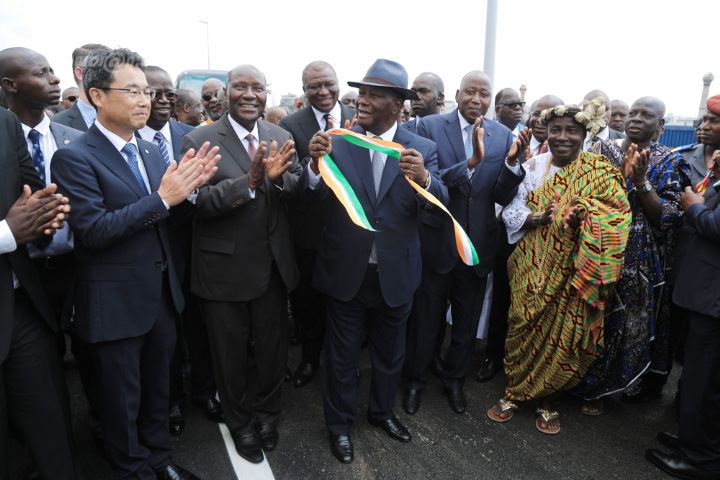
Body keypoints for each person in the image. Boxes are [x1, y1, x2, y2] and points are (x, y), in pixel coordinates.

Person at [51, 47, 219, 480]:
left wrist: (189, 194)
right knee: (120, 402)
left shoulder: (149, 150)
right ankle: (132, 470)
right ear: (97, 95)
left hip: (160, 296)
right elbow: (94, 231)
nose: (146, 100)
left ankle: (160, 459)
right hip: (115, 304)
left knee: (159, 390)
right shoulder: (74, 157)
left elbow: (167, 219)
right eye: (133, 91)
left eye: (147, 92)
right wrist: (163, 198)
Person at [304, 59, 448, 464]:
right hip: (347, 272)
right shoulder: (338, 141)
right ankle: (339, 426)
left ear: (397, 105)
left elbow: (441, 206)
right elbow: (310, 196)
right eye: (361, 93)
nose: (361, 101)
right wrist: (312, 167)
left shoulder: (422, 150)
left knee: (389, 354)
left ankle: (382, 413)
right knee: (342, 357)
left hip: (396, 273)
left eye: (373, 95)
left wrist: (425, 181)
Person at [181, 64, 300, 465]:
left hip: (272, 269)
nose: (250, 95)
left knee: (272, 352)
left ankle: (268, 415)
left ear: (267, 94)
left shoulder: (279, 136)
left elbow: (296, 185)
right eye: (241, 87)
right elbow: (194, 203)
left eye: (258, 88)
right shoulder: (198, 139)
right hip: (223, 272)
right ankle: (240, 423)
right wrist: (247, 183)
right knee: (228, 358)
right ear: (225, 94)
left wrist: (278, 180)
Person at [488, 103, 631, 435]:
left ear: (584, 134)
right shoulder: (534, 167)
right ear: (547, 134)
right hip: (531, 263)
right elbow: (509, 209)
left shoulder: (600, 171)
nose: (563, 137)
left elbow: (618, 218)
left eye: (571, 131)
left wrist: (585, 215)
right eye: (556, 130)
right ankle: (514, 391)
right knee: (522, 323)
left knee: (564, 335)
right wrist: (541, 217)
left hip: (575, 271)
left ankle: (549, 400)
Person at [404, 70, 527, 416]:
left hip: (477, 245)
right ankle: (415, 381)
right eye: (470, 92)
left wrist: (512, 165)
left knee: (466, 322)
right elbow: (428, 182)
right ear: (457, 95)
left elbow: (500, 195)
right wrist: (470, 164)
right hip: (436, 241)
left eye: (484, 94)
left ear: (490, 100)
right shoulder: (428, 128)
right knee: (426, 319)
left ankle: (455, 381)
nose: (476, 99)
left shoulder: (503, 135)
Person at [572, 97, 689, 414]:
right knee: (588, 313)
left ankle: (599, 389)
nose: (636, 118)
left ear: (660, 126)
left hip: (638, 254)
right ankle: (572, 378)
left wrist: (640, 182)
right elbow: (581, 193)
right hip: (595, 245)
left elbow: (666, 216)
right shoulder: (601, 151)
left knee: (621, 322)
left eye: (646, 115)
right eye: (633, 113)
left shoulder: (668, 160)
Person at [137, 65, 222, 437]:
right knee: (164, 338)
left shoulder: (190, 136)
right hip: (149, 255)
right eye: (153, 92)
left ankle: (205, 391)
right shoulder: (127, 139)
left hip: (192, 249)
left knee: (198, 328)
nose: (163, 99)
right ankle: (171, 399)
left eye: (169, 93)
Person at [0, 104, 79, 479]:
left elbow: (31, 193)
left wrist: (48, 214)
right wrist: (7, 233)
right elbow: (13, 227)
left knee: (49, 427)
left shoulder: (5, 121)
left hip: (20, 303)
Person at [279, 61, 355, 389]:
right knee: (308, 302)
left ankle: (344, 364)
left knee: (346, 304)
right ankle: (310, 358)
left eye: (328, 84)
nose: (323, 92)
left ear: (338, 83)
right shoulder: (291, 125)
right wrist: (314, 162)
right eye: (314, 86)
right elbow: (293, 181)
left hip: (351, 230)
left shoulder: (358, 118)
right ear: (304, 90)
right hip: (310, 232)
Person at [645, 155, 720, 480]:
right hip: (707, 294)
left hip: (714, 300)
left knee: (706, 382)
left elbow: (716, 225)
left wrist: (694, 207)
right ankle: (694, 441)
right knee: (698, 377)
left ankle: (702, 459)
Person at [51, 43, 109, 132]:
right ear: (80, 73)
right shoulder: (56, 124)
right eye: (105, 70)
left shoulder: (125, 119)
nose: (114, 76)